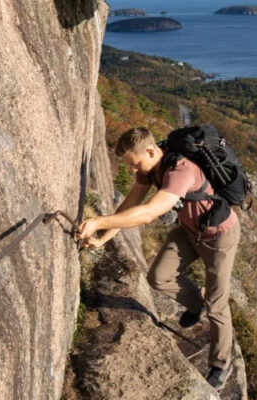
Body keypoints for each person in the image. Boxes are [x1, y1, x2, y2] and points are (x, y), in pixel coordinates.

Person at [76, 127, 240, 391]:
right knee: (158, 277)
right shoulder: (150, 168)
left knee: (218, 304)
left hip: (218, 236)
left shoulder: (180, 171)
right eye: (129, 166)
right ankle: (196, 305)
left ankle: (221, 364)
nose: (132, 170)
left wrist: (97, 222)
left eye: (134, 164)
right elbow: (130, 205)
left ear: (151, 151)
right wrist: (103, 237)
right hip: (189, 231)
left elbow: (149, 213)